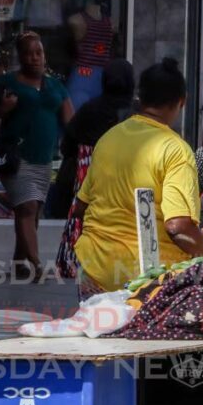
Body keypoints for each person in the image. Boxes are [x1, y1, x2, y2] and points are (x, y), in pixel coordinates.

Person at [73, 58, 203, 295]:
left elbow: (80, 207)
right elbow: (178, 226)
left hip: (93, 269)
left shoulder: (108, 139)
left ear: (139, 98)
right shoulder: (175, 150)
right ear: (182, 102)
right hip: (147, 280)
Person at [0, 32, 74, 280]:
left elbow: (69, 118)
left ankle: (19, 263)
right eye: (28, 53)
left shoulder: (54, 85)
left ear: (44, 55)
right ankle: (37, 265)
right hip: (16, 157)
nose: (34, 58)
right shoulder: (7, 82)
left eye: (38, 52)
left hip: (43, 159)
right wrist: (3, 108)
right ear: (20, 57)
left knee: (31, 212)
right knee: (28, 207)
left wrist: (74, 143)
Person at [54, 59, 135, 279]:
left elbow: (68, 142)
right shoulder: (135, 112)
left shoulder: (90, 108)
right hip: (126, 173)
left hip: (88, 172)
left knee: (85, 216)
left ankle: (75, 261)